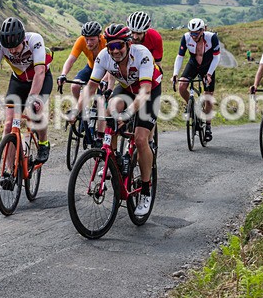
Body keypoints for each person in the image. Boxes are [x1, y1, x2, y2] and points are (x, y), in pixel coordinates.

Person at [70, 23, 162, 216]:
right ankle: (112, 157)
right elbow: (90, 87)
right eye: (111, 47)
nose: (115, 51)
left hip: (149, 90)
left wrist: (128, 113)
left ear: (128, 44)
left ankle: (145, 190)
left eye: (119, 46)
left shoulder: (142, 54)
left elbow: (144, 92)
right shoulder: (104, 57)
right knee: (110, 109)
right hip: (127, 88)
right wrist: (76, 111)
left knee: (140, 139)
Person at [0, 17, 53, 163]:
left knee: (35, 111)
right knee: (9, 124)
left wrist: (33, 98)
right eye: (8, 48)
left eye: (15, 47)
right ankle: (8, 171)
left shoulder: (35, 40)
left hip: (41, 78)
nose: (12, 51)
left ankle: (43, 143)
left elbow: (40, 71)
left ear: (23, 40)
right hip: (18, 81)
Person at [171, 18, 221, 142]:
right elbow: (180, 56)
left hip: (207, 66)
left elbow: (216, 57)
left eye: (196, 33)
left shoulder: (212, 38)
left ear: (203, 30)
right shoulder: (186, 37)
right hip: (193, 64)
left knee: (208, 97)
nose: (193, 36)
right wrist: (175, 74)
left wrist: (209, 74)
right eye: (191, 33)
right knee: (182, 86)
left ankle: (208, 126)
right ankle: (192, 106)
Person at [57, 21, 105, 101]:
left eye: (92, 39)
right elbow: (70, 60)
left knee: (99, 95)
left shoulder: (105, 42)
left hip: (104, 70)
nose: (89, 43)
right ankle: (81, 110)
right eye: (87, 39)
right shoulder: (81, 41)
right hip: (90, 67)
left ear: (99, 37)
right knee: (75, 86)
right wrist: (63, 74)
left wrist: (105, 80)